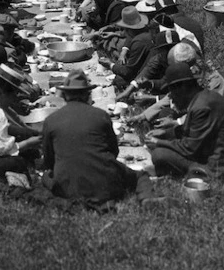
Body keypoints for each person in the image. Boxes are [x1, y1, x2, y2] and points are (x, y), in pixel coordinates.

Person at [41, 71, 160, 207]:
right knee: (140, 176)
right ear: (88, 95)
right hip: (104, 185)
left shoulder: (51, 120)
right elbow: (113, 151)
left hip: (66, 187)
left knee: (48, 176)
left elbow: (49, 161)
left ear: (65, 96)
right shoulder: (101, 115)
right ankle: (146, 198)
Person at [145, 63, 224, 179]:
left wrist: (158, 142)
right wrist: (165, 134)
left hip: (219, 168)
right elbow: (192, 131)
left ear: (183, 87)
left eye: (172, 92)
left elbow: (189, 148)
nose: (172, 98)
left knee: (159, 154)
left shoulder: (201, 106)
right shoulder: (204, 98)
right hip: (217, 158)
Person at [98, 5, 153, 90]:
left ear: (128, 29)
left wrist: (110, 65)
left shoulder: (139, 42)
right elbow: (128, 37)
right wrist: (123, 52)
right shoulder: (143, 31)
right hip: (145, 68)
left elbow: (128, 72)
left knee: (119, 80)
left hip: (146, 76)